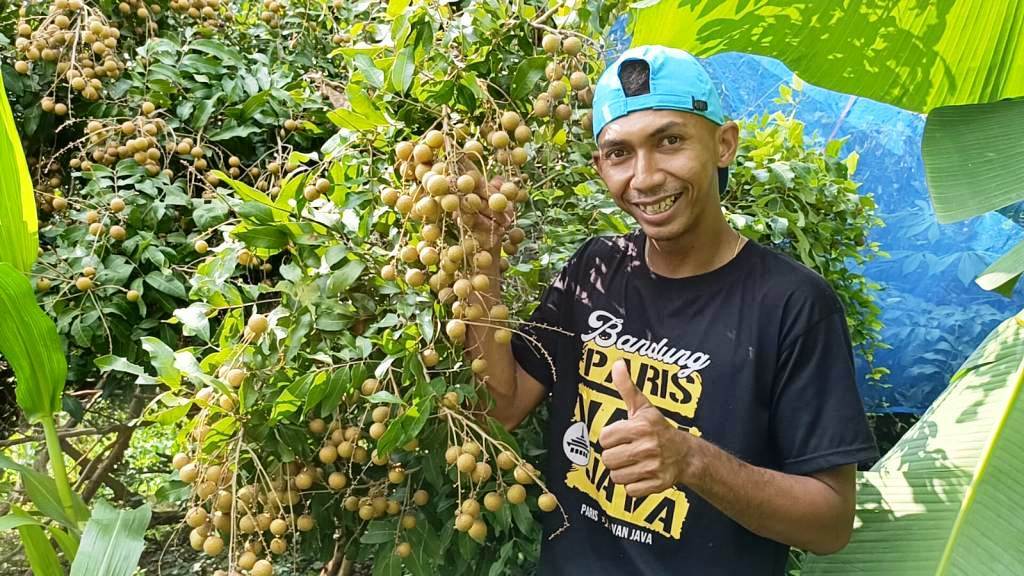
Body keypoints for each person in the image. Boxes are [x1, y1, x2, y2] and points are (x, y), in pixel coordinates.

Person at [464, 45, 879, 575]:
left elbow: (830, 524)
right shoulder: (594, 268)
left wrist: (692, 460)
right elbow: (504, 405)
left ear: (723, 144)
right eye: (619, 153)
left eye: (671, 141)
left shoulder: (793, 304)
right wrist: (481, 260)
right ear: (599, 166)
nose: (645, 177)